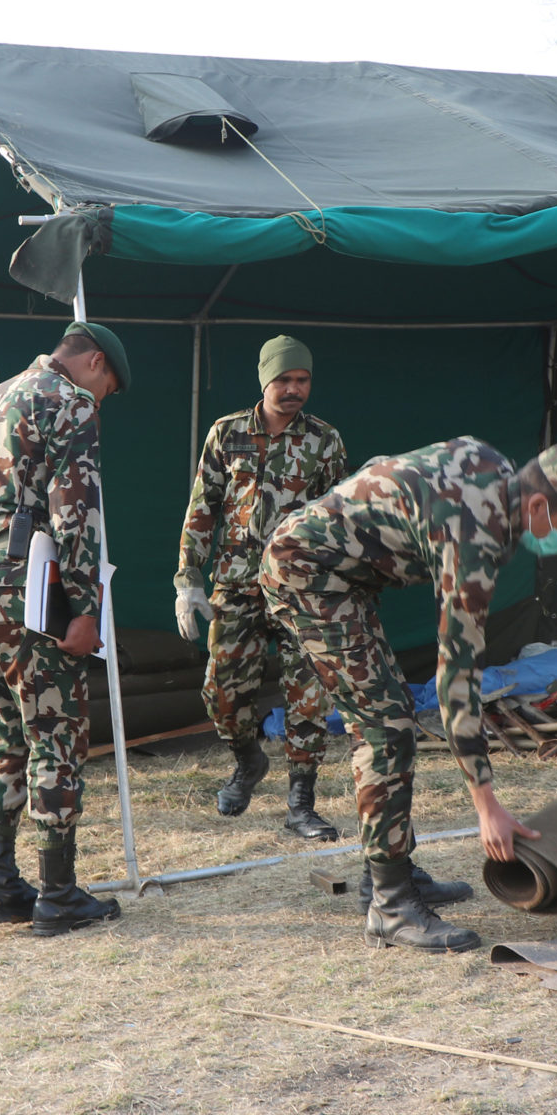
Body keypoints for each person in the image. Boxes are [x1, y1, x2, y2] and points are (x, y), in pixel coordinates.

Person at [261, 439, 557, 953]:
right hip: (306, 572)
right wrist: (487, 804)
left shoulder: (496, 469)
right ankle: (391, 907)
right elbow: (456, 678)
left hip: (334, 568)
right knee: (386, 727)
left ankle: (389, 873)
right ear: (536, 505)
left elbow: (387, 468)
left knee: (388, 712)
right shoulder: (477, 536)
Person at [0, 322, 127, 935]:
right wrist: (82, 609)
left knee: (4, 735)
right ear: (95, 363)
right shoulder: (69, 401)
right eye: (107, 387)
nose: (102, 399)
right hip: (27, 580)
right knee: (55, 732)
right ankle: (57, 894)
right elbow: (75, 510)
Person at [174, 334, 347, 838]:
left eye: (303, 379)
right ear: (265, 380)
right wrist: (188, 579)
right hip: (237, 585)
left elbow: (339, 518)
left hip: (302, 588)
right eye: (285, 379)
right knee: (221, 693)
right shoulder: (227, 434)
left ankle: (301, 802)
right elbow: (201, 510)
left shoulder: (325, 440)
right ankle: (248, 761)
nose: (294, 389)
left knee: (308, 696)